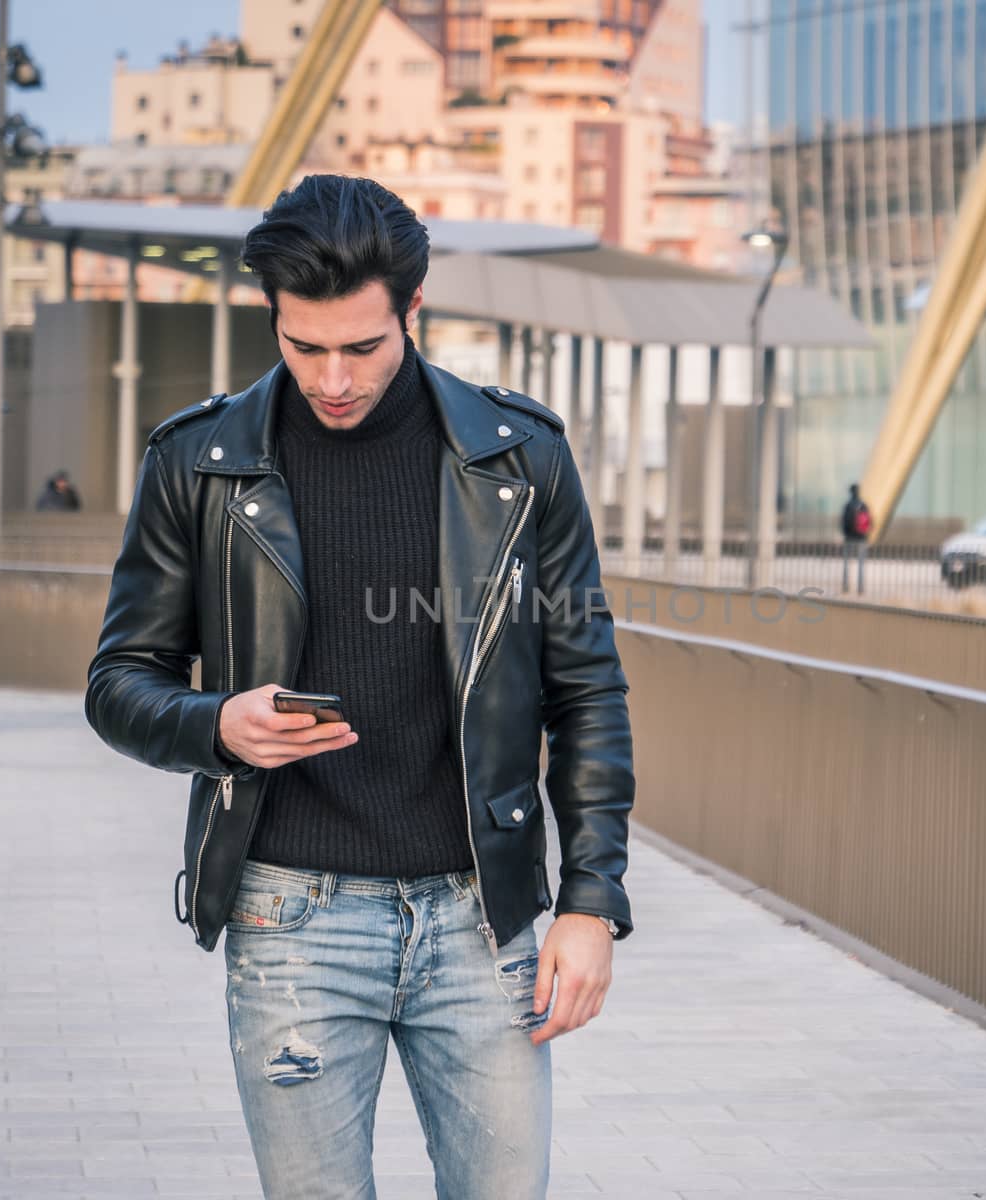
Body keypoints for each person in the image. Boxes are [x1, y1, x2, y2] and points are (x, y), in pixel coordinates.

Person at [84, 175, 634, 1199]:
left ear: (413, 311)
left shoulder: (518, 458)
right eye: (304, 347)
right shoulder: (197, 465)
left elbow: (588, 686)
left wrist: (591, 904)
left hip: (485, 918)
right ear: (271, 317)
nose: (332, 378)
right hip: (291, 916)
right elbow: (119, 682)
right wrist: (217, 726)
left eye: (362, 348)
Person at [839, 481, 871, 594]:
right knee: (861, 564)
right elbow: (870, 522)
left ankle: (846, 586)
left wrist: (846, 534)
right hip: (862, 538)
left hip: (849, 539)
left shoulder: (848, 505)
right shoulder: (863, 505)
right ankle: (860, 588)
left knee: (847, 564)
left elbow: (843, 522)